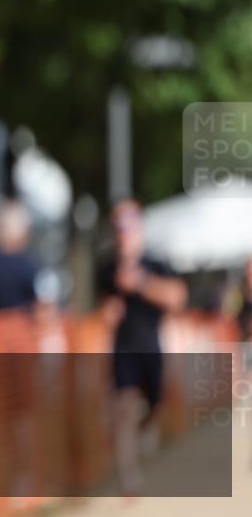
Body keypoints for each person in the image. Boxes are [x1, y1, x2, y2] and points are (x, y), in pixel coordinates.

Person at [96, 198, 186, 496]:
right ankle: (129, 479)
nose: (123, 231)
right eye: (118, 225)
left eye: (128, 224)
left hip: (152, 348)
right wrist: (108, 313)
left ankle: (148, 429)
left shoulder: (156, 262)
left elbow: (177, 298)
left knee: (154, 407)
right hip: (123, 350)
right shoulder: (108, 268)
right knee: (123, 410)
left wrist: (142, 284)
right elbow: (104, 310)